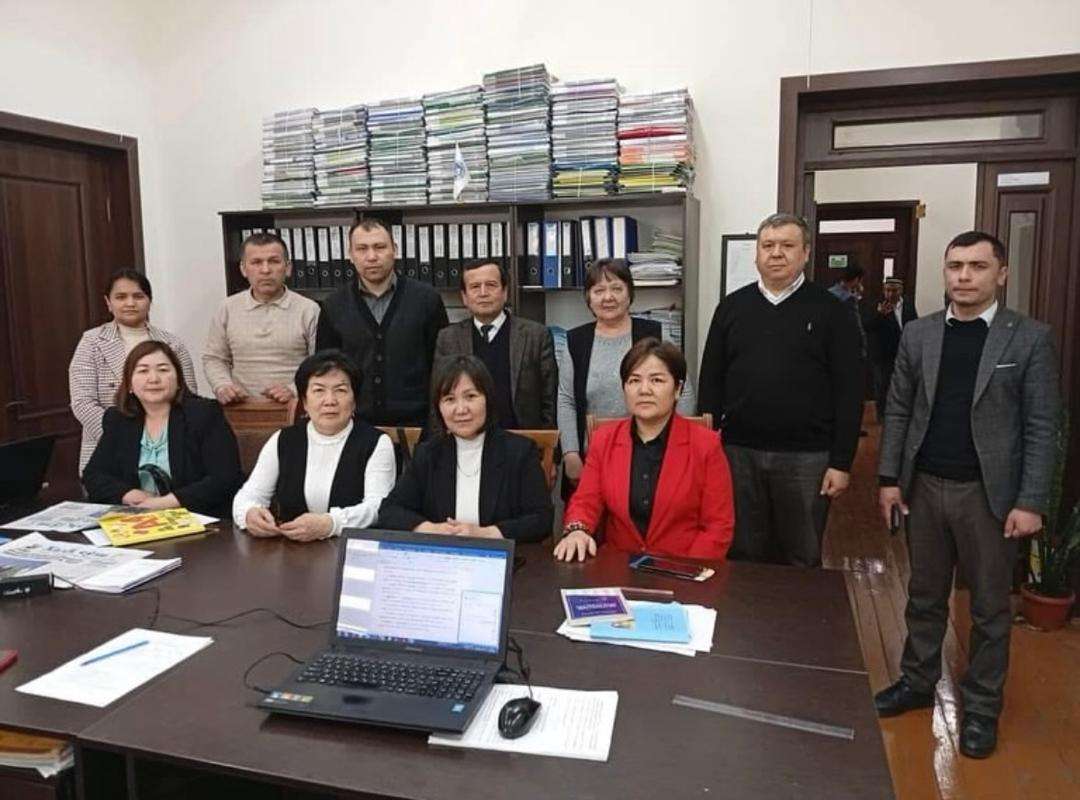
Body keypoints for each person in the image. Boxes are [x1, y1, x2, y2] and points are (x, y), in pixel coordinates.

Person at [874, 231, 1061, 759]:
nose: (963, 276)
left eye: (977, 266)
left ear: (1001, 273)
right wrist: (889, 479)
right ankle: (917, 682)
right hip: (925, 489)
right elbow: (898, 409)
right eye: (955, 265)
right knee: (924, 596)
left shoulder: (1028, 339)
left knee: (989, 609)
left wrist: (1031, 501)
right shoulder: (920, 334)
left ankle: (980, 707)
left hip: (990, 496)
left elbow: (1043, 425)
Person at [698, 213, 863, 567]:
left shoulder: (831, 311)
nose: (776, 253)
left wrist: (841, 462)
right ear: (757, 253)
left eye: (787, 245)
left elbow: (849, 391)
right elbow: (711, 380)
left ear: (805, 253)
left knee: (801, 555)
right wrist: (707, 449)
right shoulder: (731, 307)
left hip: (807, 458)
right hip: (737, 453)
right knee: (742, 554)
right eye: (768, 245)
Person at [554, 338, 734, 562]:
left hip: (682, 569)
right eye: (634, 380)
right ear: (624, 388)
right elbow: (585, 501)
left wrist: (687, 570)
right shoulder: (604, 440)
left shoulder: (706, 445)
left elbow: (718, 526)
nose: (644, 390)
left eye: (656, 380)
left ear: (678, 389)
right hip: (617, 568)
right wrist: (577, 530)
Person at [377, 355, 553, 542]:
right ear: (439, 408)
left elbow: (542, 519)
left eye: (470, 397)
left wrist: (486, 533)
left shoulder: (519, 452)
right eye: (449, 399)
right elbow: (389, 511)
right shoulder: (428, 454)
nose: (461, 409)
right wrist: (431, 529)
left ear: (488, 399)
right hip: (444, 554)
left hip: (499, 555)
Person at [557, 259, 696, 490]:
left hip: (653, 457)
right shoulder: (576, 342)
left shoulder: (654, 334)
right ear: (588, 298)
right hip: (592, 460)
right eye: (599, 291)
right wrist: (570, 454)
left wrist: (676, 446)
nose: (608, 297)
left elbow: (684, 391)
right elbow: (566, 400)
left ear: (629, 293)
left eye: (616, 288)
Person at [232, 350, 396, 542]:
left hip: (349, 549)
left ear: (354, 402)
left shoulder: (376, 443)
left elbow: (378, 507)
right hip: (291, 549)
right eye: (319, 391)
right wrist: (249, 514)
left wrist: (330, 524)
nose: (330, 401)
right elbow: (248, 496)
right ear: (304, 402)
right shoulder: (283, 440)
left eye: (340, 390)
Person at [82, 340, 244, 518]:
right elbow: (93, 475)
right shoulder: (118, 419)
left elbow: (225, 478)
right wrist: (128, 494)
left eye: (163, 370)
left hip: (199, 518)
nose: (153, 379)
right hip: (140, 519)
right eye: (143, 371)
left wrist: (166, 502)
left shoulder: (203, 414)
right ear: (129, 385)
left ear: (179, 380)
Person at [316, 218, 448, 426]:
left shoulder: (427, 299)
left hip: (417, 423)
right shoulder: (333, 305)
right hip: (355, 424)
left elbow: (442, 366)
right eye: (362, 249)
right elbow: (327, 369)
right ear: (350, 255)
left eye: (379, 247)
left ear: (394, 250)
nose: (371, 257)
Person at [69, 270, 199, 475]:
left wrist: (157, 436)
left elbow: (187, 396)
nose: (130, 303)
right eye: (121, 297)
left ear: (150, 301)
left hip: (167, 448)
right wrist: (124, 437)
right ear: (108, 302)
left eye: (138, 296)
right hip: (107, 448)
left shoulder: (172, 343)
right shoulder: (92, 342)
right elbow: (82, 403)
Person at [432, 259, 556, 429]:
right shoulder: (448, 338)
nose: (483, 293)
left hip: (522, 438)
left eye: (491, 285)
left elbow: (550, 400)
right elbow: (439, 396)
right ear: (464, 297)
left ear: (505, 292)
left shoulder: (536, 335)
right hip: (466, 439)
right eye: (475, 287)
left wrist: (543, 441)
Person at [203, 231, 319, 405]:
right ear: (243, 269)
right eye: (256, 262)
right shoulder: (227, 309)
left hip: (294, 408)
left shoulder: (308, 310)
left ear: (288, 267)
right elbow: (214, 358)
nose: (265, 270)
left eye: (274, 261)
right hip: (240, 407)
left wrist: (293, 389)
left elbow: (319, 364)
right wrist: (223, 386)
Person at [865, 277, 918, 418]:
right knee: (882, 385)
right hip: (883, 354)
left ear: (900, 291)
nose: (890, 294)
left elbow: (914, 324)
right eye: (887, 290)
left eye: (894, 290)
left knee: (904, 383)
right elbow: (867, 326)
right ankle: (882, 415)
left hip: (903, 352)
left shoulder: (908, 305)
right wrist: (880, 315)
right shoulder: (877, 304)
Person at [828, 264, 868, 360]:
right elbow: (856, 325)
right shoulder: (849, 299)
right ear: (856, 280)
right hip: (846, 345)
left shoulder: (828, 293)